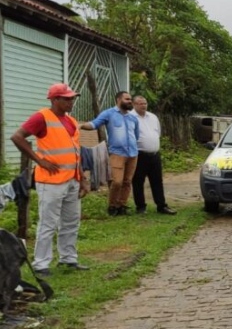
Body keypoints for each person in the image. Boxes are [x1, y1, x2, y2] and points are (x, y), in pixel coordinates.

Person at [10, 83, 90, 276]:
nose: (72, 101)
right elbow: (17, 137)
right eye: (67, 98)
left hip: (71, 179)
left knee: (71, 221)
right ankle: (41, 264)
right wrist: (39, 160)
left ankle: (68, 259)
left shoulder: (70, 120)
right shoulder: (42, 117)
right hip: (51, 181)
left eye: (73, 98)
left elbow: (75, 152)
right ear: (55, 100)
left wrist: (83, 178)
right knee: (48, 223)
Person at [81, 90, 139, 216]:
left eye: (130, 99)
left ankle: (122, 206)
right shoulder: (109, 113)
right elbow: (94, 124)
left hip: (133, 154)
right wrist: (79, 126)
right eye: (127, 99)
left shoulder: (133, 118)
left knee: (127, 181)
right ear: (118, 100)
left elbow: (136, 135)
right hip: (117, 153)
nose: (130, 102)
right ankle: (112, 206)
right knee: (117, 181)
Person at [131, 96, 175, 215]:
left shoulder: (153, 117)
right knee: (138, 181)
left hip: (154, 154)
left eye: (145, 103)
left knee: (157, 181)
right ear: (134, 105)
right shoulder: (130, 117)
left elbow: (157, 133)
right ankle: (140, 207)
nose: (143, 105)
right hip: (139, 154)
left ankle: (161, 206)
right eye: (140, 103)